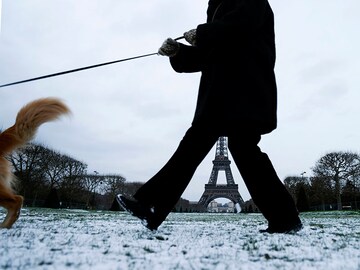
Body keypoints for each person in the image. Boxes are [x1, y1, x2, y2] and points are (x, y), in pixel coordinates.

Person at [117, 0, 302, 233]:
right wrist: (178, 51)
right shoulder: (217, 5)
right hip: (224, 92)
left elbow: (239, 28)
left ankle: (151, 204)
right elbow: (209, 54)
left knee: (216, 148)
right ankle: (285, 218)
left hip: (243, 89)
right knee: (233, 150)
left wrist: (203, 33)